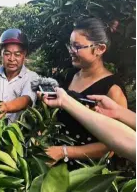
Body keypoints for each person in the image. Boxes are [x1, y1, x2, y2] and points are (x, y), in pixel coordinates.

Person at [45, 18, 128, 170]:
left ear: (100, 49)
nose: (71, 51)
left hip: (89, 172)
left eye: (77, 47)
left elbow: (115, 145)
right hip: (59, 165)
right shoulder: (72, 76)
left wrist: (64, 152)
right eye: (70, 45)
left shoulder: (112, 89)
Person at [38, 88, 136, 163]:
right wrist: (118, 111)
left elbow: (126, 141)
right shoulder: (72, 76)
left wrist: (65, 101)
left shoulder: (113, 88)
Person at [0, 28, 39, 123]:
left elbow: (26, 99)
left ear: (24, 55)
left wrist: (6, 107)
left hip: (14, 135)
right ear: (1, 54)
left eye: (17, 54)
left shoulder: (31, 77)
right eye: (7, 54)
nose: (12, 59)